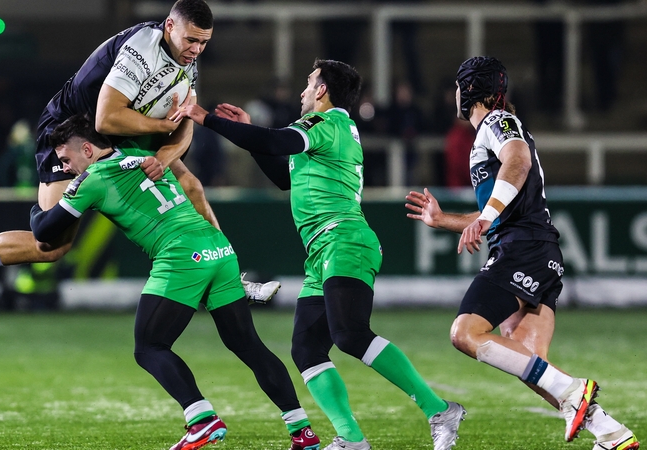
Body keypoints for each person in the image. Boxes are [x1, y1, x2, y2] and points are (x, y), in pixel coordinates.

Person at [0, 0, 278, 310]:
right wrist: (162, 127)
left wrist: (164, 158)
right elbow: (108, 117)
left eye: (204, 43)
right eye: (192, 40)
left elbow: (185, 126)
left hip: (119, 136)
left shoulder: (186, 60)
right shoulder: (141, 49)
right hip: (72, 131)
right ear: (169, 26)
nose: (196, 50)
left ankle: (231, 279)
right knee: (50, 245)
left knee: (192, 185)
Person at [174, 59, 466, 450]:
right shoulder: (329, 132)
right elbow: (283, 176)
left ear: (323, 90)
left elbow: (274, 142)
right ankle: (351, 439)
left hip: (343, 240)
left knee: (350, 334)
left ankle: (439, 409)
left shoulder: (326, 124)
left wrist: (205, 117)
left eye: (309, 83)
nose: (303, 91)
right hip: (323, 250)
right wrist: (244, 129)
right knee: (307, 348)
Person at [33, 114, 321, 450]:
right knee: (247, 345)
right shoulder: (141, 156)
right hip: (219, 248)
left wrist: (37, 208)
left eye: (67, 159)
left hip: (182, 254)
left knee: (149, 346)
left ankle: (201, 419)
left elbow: (44, 231)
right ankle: (302, 430)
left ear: (87, 148)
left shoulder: (92, 178)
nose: (66, 168)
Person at [405, 56, 639, 450]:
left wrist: (486, 218)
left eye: (459, 87)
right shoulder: (494, 128)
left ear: (469, 90)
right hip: (538, 248)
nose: (455, 95)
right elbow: (497, 208)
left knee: (465, 333)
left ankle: (575, 389)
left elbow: (518, 161)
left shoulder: (497, 122)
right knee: (529, 361)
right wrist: (444, 220)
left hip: (522, 248)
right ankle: (610, 432)